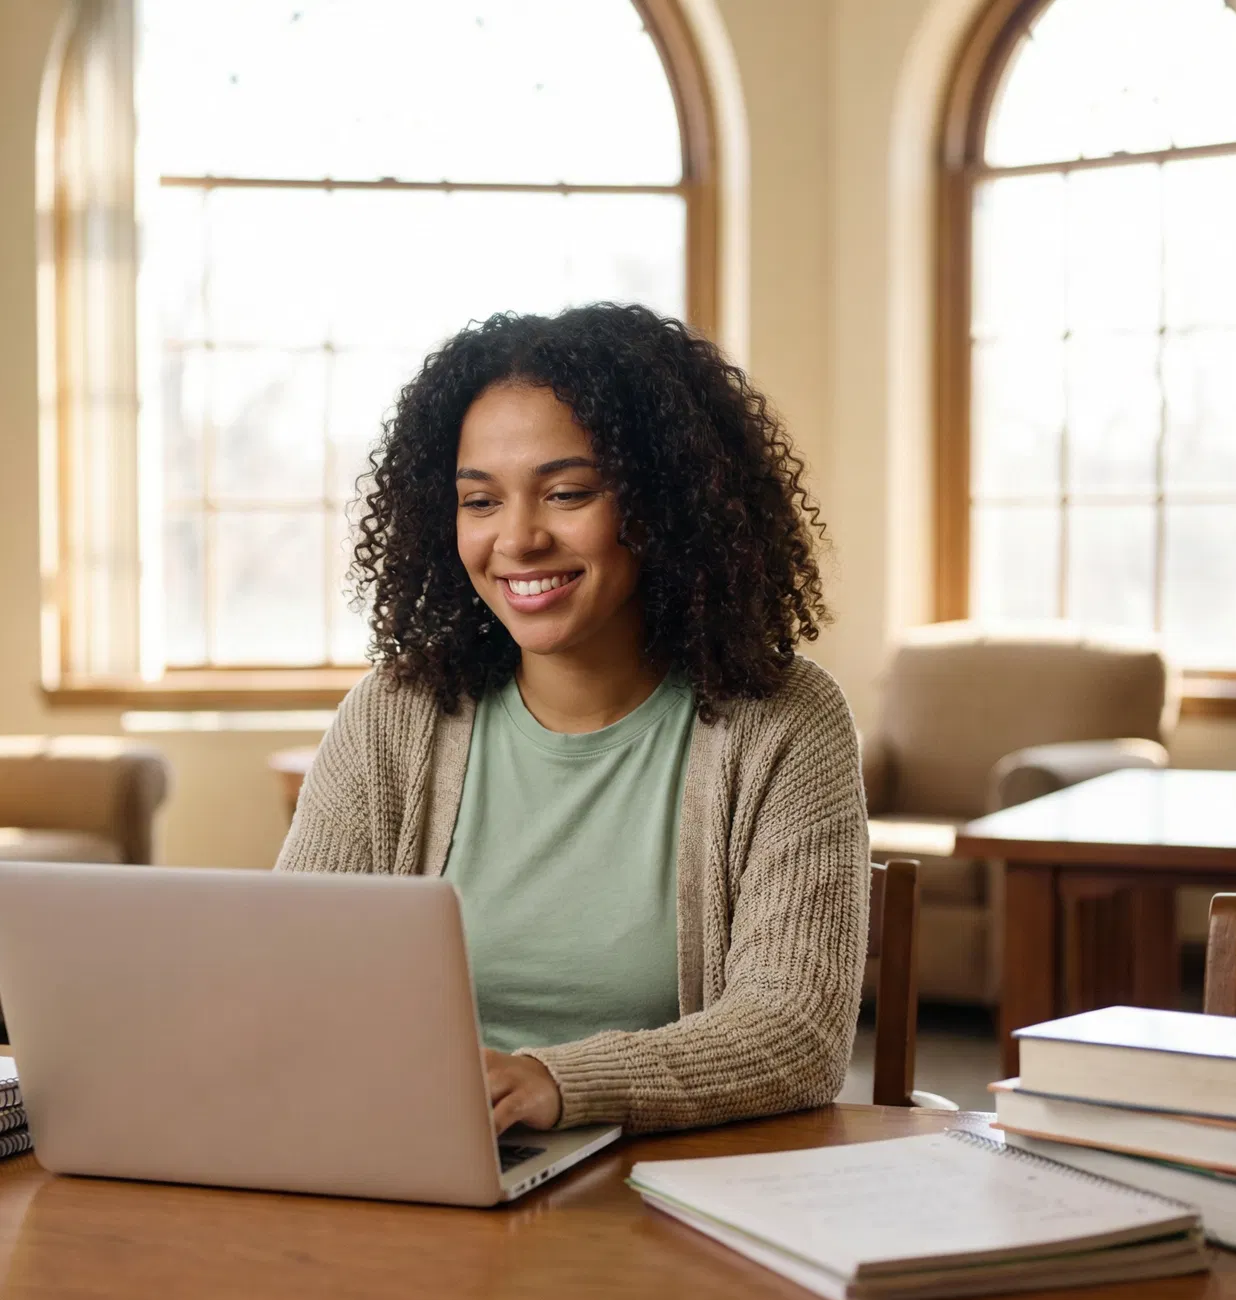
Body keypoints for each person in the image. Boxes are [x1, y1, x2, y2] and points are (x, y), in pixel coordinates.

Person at [279, 303, 867, 1135]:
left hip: (668, 1184)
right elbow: (291, 971)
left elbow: (794, 1033)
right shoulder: (396, 714)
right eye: (479, 501)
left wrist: (556, 1083)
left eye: (566, 493)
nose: (517, 539)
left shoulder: (783, 722)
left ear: (665, 503)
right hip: (416, 1159)